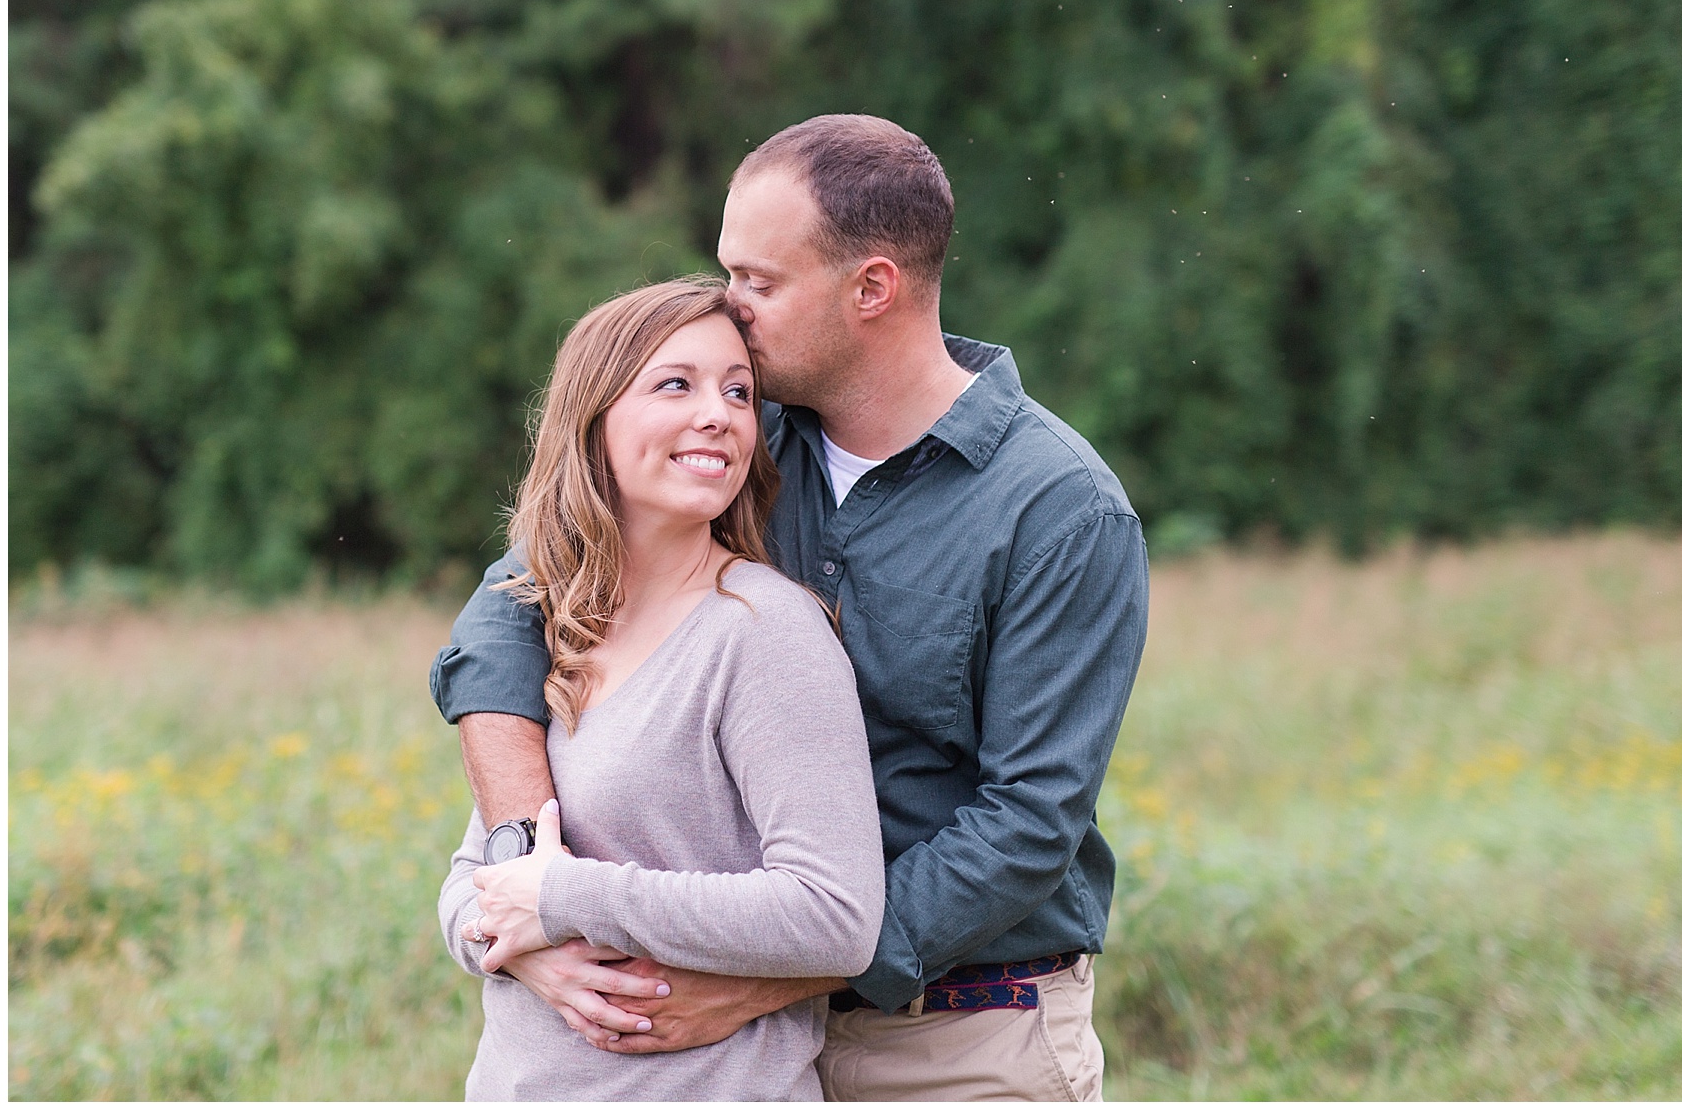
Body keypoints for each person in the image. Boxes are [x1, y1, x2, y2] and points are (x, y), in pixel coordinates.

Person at [431, 114, 1150, 1101]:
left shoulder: (1057, 507)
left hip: (961, 1034)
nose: (730, 305)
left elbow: (1027, 820)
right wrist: (521, 896)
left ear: (872, 289)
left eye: (760, 281)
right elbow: (506, 617)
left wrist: (775, 976)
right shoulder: (730, 432)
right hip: (727, 1044)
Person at [434, 276, 885, 1101]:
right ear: (593, 417)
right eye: (674, 384)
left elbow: (835, 916)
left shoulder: (761, 630)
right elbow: (472, 880)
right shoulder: (562, 625)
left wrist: (566, 897)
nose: (718, 412)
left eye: (739, 392)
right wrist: (529, 949)